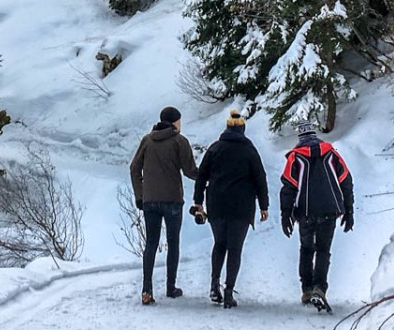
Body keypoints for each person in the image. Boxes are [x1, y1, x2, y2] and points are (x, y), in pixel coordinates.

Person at [192, 109, 269, 309]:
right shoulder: (249, 150)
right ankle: (228, 291)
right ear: (243, 130)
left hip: (217, 204)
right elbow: (260, 178)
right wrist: (264, 205)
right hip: (241, 207)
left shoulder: (215, 148)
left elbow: (201, 176)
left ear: (226, 129)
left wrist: (198, 200)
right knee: (235, 248)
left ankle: (213, 284)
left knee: (219, 244)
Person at [279, 118, 354, 310]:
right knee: (323, 250)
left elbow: (288, 187)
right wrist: (349, 209)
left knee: (306, 249)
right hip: (330, 209)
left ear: (300, 136)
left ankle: (306, 289)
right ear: (314, 134)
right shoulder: (331, 154)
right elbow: (346, 180)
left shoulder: (295, 157)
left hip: (305, 211)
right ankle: (320, 288)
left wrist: (285, 215)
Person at [129, 105, 198, 305]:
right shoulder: (180, 141)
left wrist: (140, 195)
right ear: (175, 121)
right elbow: (190, 170)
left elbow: (134, 168)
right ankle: (171, 287)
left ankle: (147, 290)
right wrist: (209, 176)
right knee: (173, 242)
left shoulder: (147, 140)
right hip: (173, 200)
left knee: (151, 243)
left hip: (150, 200)